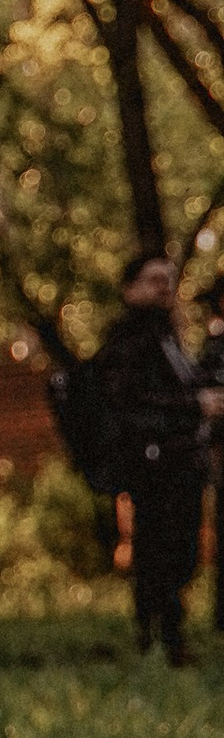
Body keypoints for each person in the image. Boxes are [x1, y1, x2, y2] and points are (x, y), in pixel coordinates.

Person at [95, 248, 217, 667]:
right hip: (153, 466)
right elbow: (128, 404)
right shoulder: (128, 342)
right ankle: (158, 638)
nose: (164, 288)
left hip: (181, 464)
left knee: (181, 549)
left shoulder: (169, 339)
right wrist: (194, 406)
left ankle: (169, 634)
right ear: (130, 290)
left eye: (168, 279)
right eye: (153, 280)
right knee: (157, 550)